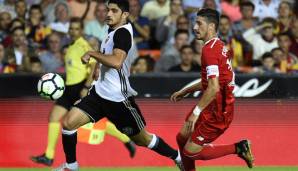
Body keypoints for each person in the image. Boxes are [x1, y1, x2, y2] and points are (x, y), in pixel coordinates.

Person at [54, 1, 183, 170]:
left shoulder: (122, 34)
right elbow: (107, 56)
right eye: (108, 10)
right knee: (69, 123)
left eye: (114, 11)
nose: (108, 14)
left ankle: (178, 157)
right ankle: (71, 166)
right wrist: (97, 67)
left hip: (118, 100)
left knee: (143, 140)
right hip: (99, 95)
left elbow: (116, 62)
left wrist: (92, 53)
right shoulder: (112, 30)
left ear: (125, 15)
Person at [30, 17, 135, 167]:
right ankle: (49, 156)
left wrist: (86, 88)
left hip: (80, 87)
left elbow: (93, 65)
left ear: (81, 31)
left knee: (93, 124)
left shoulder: (83, 45)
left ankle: (126, 139)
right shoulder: (71, 46)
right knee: (54, 117)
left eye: (76, 28)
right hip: (68, 88)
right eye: (71, 28)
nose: (73, 31)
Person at [170, 8, 254, 171]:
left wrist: (196, 112)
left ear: (211, 26)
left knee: (190, 152)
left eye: (199, 23)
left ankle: (239, 148)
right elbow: (212, 82)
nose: (194, 27)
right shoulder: (219, 46)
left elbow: (214, 87)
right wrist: (186, 91)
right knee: (182, 138)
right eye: (195, 23)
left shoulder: (209, 50)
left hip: (219, 113)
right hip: (210, 106)